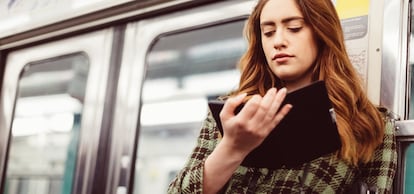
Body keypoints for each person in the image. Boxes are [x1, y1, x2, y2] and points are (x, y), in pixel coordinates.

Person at [168, 0, 397, 193]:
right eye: (268, 32)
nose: (278, 41)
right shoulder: (232, 111)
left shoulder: (366, 123)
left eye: (294, 28)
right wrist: (232, 148)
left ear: (321, 32)